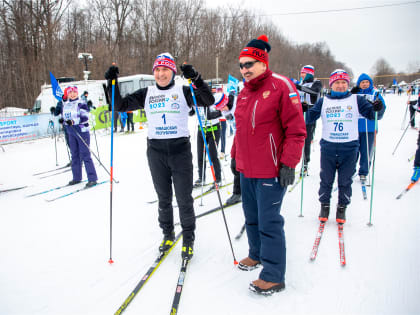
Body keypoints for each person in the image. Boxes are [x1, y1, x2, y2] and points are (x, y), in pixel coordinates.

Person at [104, 53, 214, 260]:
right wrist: (112, 82)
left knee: (183, 198)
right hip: (156, 152)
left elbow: (208, 99)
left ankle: (188, 238)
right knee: (163, 198)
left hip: (180, 151)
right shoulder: (147, 92)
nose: (161, 74)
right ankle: (168, 234)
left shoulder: (183, 91)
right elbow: (118, 105)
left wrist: (196, 78)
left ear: (173, 72)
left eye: (165, 70)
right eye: (157, 70)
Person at [232, 35, 306, 295]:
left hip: (271, 170)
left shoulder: (281, 86)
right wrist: (235, 157)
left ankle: (274, 275)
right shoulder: (243, 93)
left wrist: (289, 163)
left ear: (263, 62)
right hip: (247, 169)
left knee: (269, 222)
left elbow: (296, 130)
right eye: (241, 65)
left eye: (249, 63)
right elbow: (240, 129)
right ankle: (256, 254)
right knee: (251, 217)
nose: (244, 70)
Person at [305, 69, 385, 224]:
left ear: (347, 84)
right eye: (337, 83)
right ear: (331, 84)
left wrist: (378, 108)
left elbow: (374, 115)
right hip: (328, 146)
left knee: (345, 180)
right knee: (326, 179)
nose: (340, 86)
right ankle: (324, 205)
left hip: (349, 147)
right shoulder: (323, 101)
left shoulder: (356, 100)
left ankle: (342, 207)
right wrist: (304, 109)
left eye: (343, 83)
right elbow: (309, 117)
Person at [57, 86, 98, 187]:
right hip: (71, 131)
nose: (72, 94)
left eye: (74, 92)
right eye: (70, 93)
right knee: (74, 155)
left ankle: (92, 178)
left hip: (81, 130)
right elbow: (63, 116)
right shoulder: (65, 105)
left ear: (77, 93)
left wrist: (73, 121)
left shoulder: (81, 103)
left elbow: (84, 117)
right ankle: (77, 177)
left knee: (85, 154)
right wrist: (62, 120)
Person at [351, 73, 386, 181]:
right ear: (359, 84)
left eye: (367, 82)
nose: (365, 84)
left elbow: (382, 109)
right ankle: (350, 170)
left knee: (366, 151)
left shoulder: (375, 93)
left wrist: (379, 108)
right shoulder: (354, 94)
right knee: (353, 151)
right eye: (362, 82)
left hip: (369, 127)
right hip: (354, 127)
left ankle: (364, 172)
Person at [293, 65, 322, 174]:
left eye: (304, 73)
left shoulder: (316, 83)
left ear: (309, 73)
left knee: (306, 140)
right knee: (294, 139)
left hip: (310, 113)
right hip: (297, 113)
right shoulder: (300, 84)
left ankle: (305, 164)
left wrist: (298, 87)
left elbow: (314, 91)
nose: (302, 75)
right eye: (301, 73)